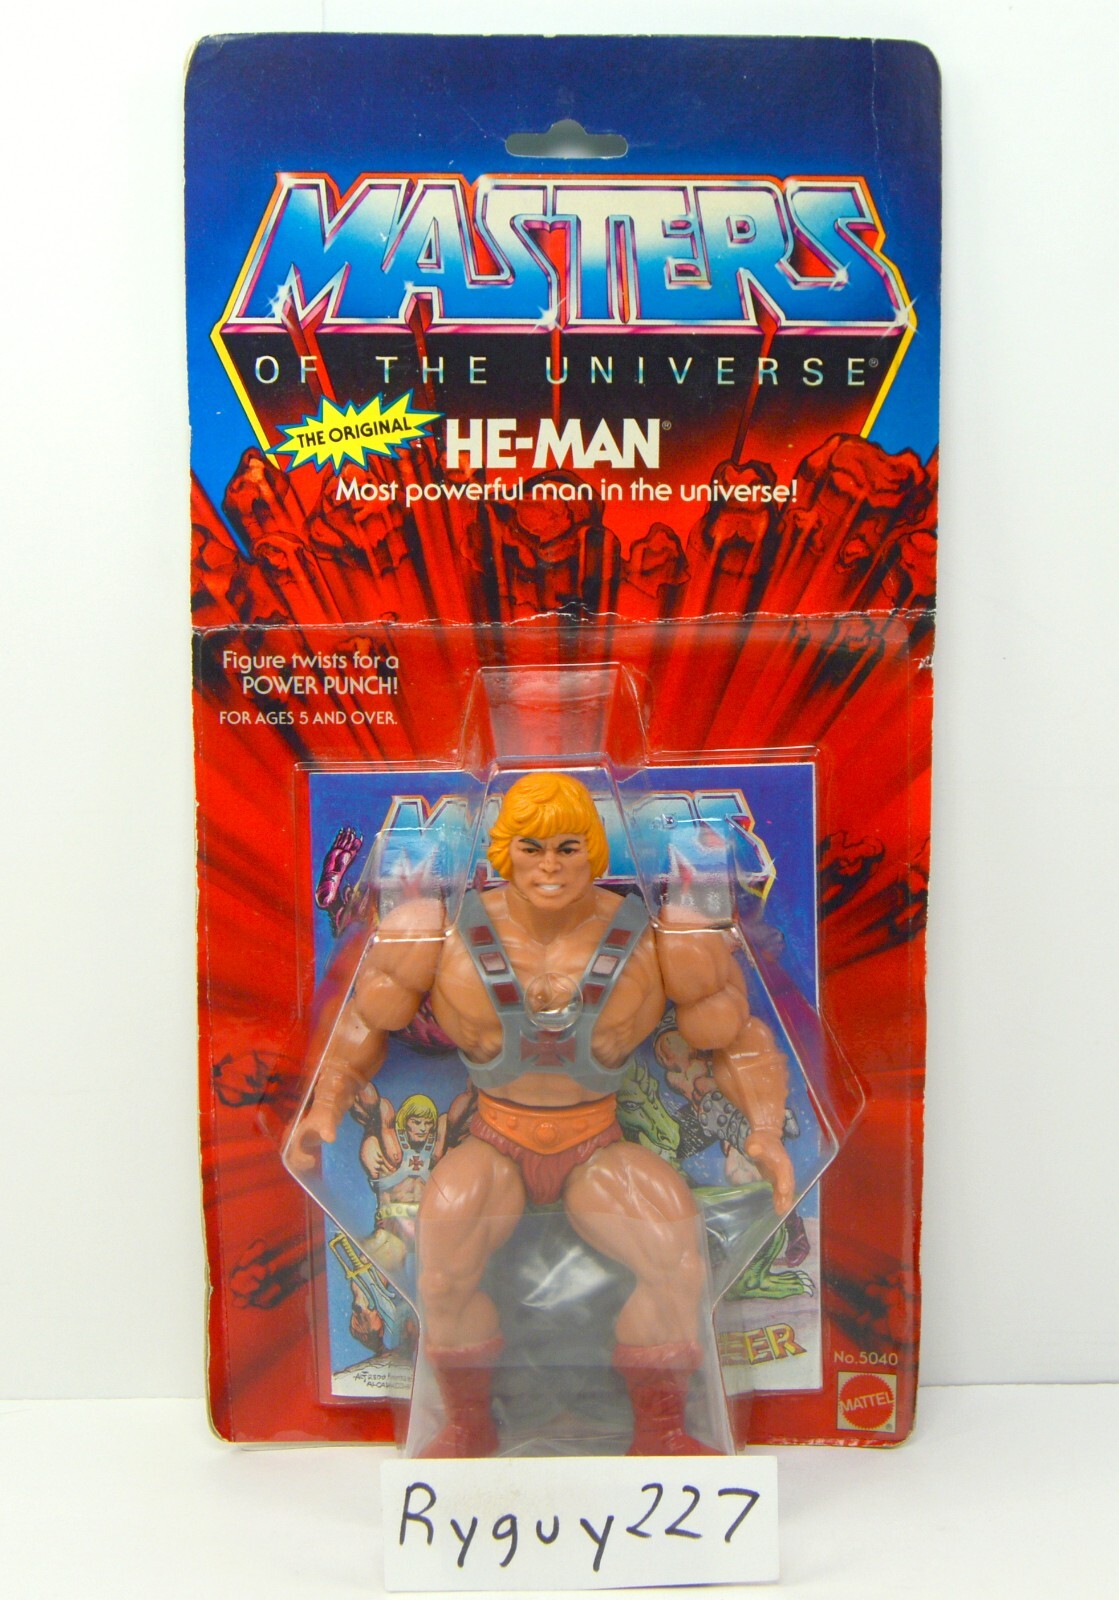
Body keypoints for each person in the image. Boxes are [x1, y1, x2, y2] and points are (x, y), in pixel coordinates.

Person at [290, 772, 793, 1456]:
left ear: (593, 851)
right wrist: (324, 1107)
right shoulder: (433, 934)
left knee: (677, 1259)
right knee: (440, 1269)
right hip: (494, 1138)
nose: (549, 866)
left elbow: (735, 1037)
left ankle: (664, 1431)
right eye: (531, 849)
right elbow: (363, 1023)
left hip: (598, 1142)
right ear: (504, 852)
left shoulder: (663, 939)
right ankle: (465, 1426)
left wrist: (764, 1130)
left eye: (566, 848)